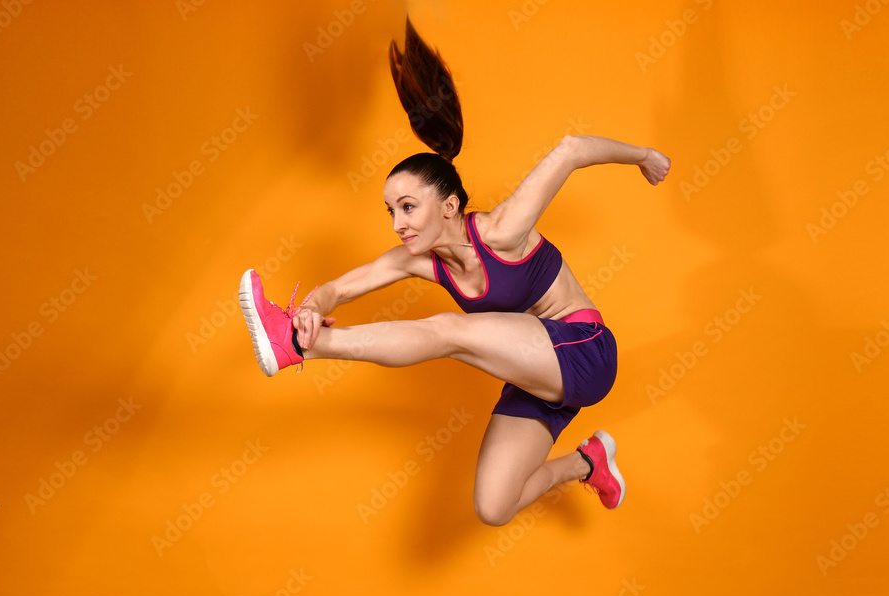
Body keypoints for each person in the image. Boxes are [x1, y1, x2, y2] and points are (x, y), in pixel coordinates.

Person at [238, 17, 670, 527]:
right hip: (536, 373)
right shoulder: (421, 262)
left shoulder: (501, 231)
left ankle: (299, 345)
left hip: (584, 351)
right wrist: (312, 309)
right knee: (493, 506)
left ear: (447, 205)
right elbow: (340, 287)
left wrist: (645, 157)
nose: (398, 224)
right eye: (390, 212)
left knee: (448, 332)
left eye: (407, 207)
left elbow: (572, 149)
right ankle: (589, 462)